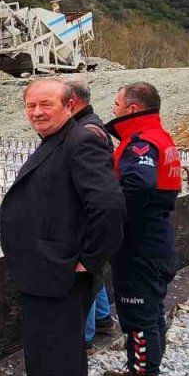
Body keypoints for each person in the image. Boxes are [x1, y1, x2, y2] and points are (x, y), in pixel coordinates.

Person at [0, 79, 125, 376]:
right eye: (30, 106)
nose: (36, 112)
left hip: (56, 273)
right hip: (51, 270)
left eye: (45, 104)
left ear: (69, 105)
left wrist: (90, 258)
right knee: (66, 356)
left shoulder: (80, 139)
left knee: (49, 358)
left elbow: (109, 206)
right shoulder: (64, 136)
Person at [98, 82, 182, 376]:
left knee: (139, 315)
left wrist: (104, 207)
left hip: (140, 243)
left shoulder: (141, 143)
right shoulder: (159, 136)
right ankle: (141, 375)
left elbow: (137, 184)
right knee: (150, 312)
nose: (114, 109)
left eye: (117, 104)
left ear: (132, 108)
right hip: (153, 238)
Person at [66, 79, 117, 347]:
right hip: (89, 216)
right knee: (95, 273)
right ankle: (104, 319)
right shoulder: (92, 125)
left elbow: (102, 195)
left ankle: (82, 339)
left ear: (71, 101)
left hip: (85, 218)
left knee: (86, 275)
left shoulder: (86, 133)